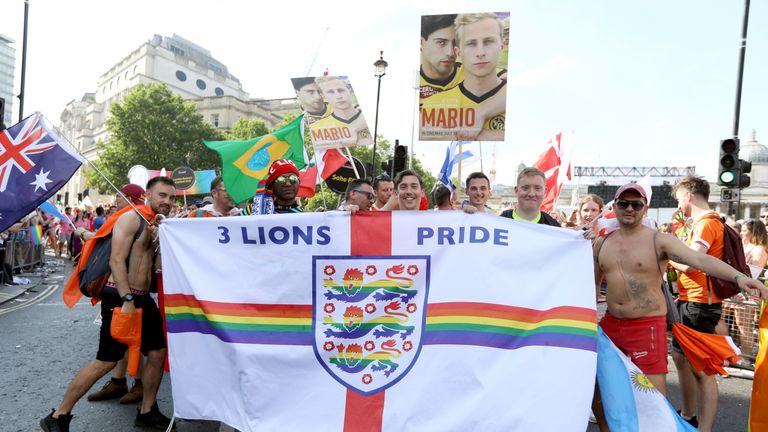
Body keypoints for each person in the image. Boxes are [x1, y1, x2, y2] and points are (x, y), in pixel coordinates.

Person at [591, 183, 765, 431]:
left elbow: (699, 259)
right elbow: (590, 286)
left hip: (645, 327)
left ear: (645, 209)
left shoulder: (659, 240)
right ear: (615, 206)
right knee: (602, 389)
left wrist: (739, 278)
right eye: (623, 203)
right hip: (610, 325)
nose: (629, 208)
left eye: (636, 204)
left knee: (653, 400)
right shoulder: (602, 243)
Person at [41, 177, 176, 431]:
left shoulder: (155, 223)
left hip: (143, 299)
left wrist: (159, 240)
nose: (167, 201)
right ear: (148, 194)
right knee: (106, 361)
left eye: (171, 197)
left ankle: (147, 411)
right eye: (162, 195)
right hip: (121, 297)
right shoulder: (131, 218)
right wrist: (126, 299)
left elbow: (154, 267)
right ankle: (58, 416)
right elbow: (116, 260)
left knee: (157, 353)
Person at [668, 175, 733, 431]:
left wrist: (666, 254)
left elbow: (689, 262)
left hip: (700, 303)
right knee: (680, 357)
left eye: (678, 199)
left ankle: (702, 426)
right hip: (692, 300)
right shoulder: (705, 222)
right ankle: (688, 414)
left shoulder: (706, 223)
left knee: (703, 369)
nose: (678, 206)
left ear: (688, 196)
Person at [420, 13, 506, 141]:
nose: (480, 53)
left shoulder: (513, 93)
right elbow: (422, 132)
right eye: (471, 44)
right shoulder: (432, 105)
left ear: (502, 45)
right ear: (458, 51)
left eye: (488, 41)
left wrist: (479, 114)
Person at [310, 76, 373, 148]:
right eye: (330, 92)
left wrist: (353, 130)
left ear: (350, 91)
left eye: (341, 90)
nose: (338, 96)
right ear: (323, 96)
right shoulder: (317, 127)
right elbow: (320, 146)